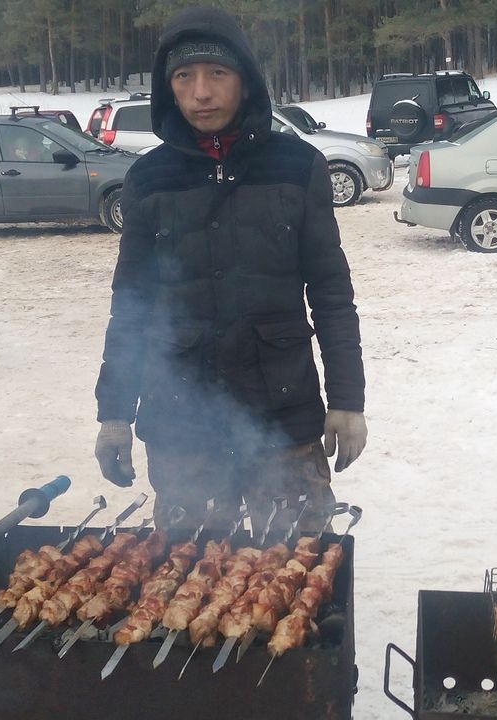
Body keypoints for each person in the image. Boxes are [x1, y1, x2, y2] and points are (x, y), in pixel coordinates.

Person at [93, 5, 367, 535]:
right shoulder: (150, 179)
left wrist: (348, 401)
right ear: (166, 87)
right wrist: (114, 413)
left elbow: (331, 292)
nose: (201, 92)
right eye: (184, 76)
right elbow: (132, 306)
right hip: (182, 415)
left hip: (283, 410)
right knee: (192, 571)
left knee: (297, 564)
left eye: (217, 73)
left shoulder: (298, 165)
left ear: (245, 81)